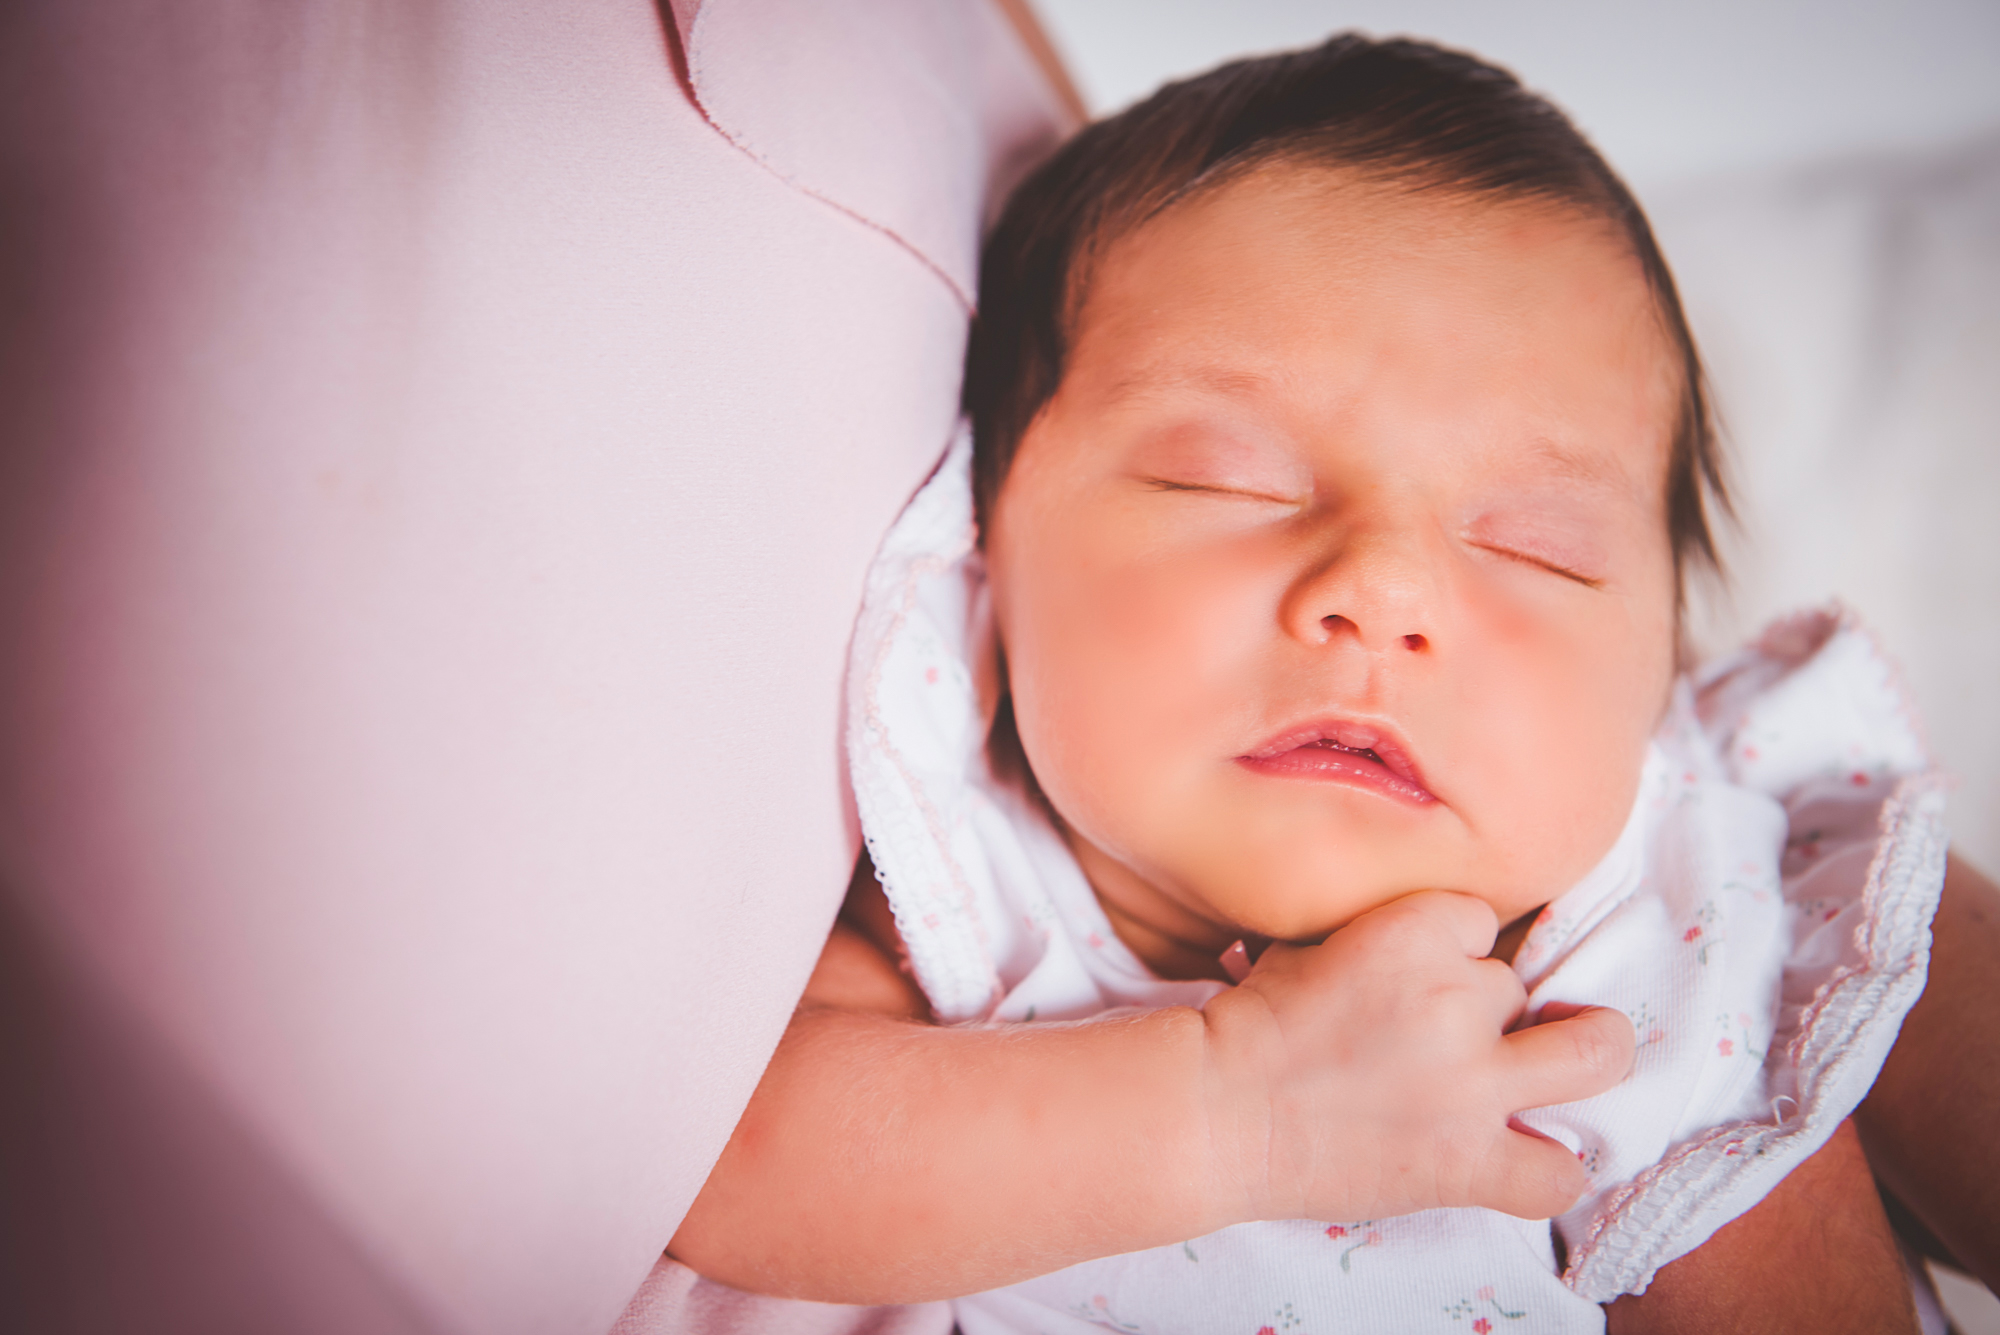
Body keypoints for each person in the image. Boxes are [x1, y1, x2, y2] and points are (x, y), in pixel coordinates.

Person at [671, 35, 1986, 1332]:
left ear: (1659, 671)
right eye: (1228, 481)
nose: (1384, 591)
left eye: (1536, 549)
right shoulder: (963, 885)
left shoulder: (1681, 930)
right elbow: (723, 1170)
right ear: (988, 547)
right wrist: (1225, 1109)